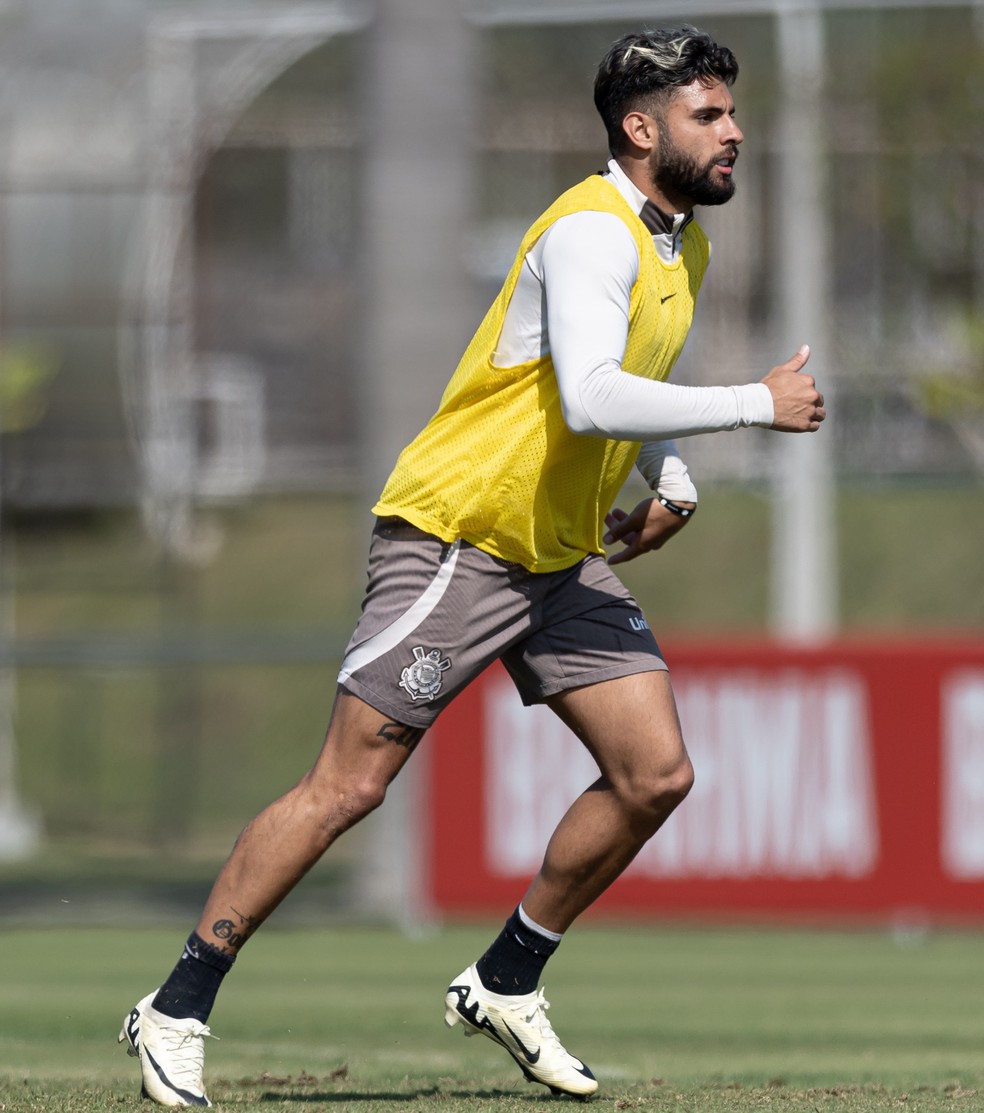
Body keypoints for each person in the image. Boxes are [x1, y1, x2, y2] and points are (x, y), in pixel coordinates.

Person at [119, 24, 825, 1106]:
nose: (733, 131)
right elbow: (590, 392)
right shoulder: (592, 230)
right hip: (460, 539)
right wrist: (752, 407)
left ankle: (506, 979)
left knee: (656, 775)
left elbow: (618, 395)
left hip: (554, 554)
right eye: (707, 114)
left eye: (730, 111)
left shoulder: (683, 245)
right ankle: (176, 1005)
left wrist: (670, 473)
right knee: (350, 783)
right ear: (641, 129)